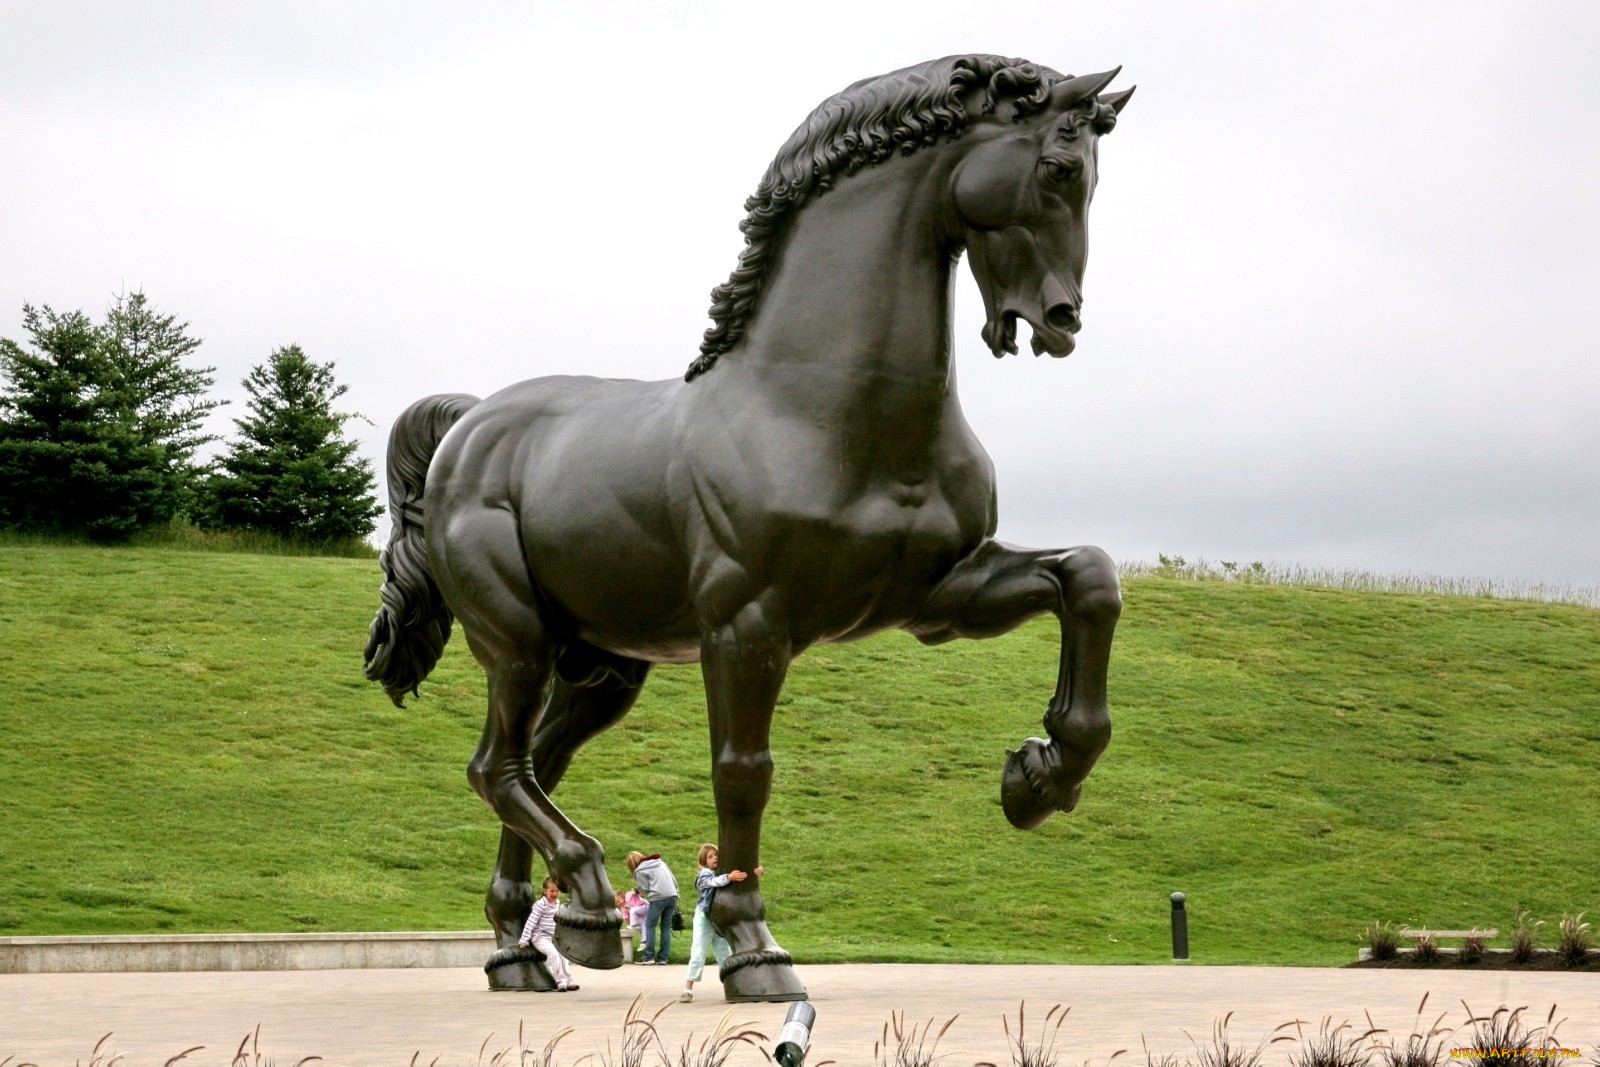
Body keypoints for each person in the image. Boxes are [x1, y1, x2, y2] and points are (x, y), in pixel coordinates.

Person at [680, 843, 760, 1002]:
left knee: (725, 955)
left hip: (720, 920)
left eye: (716, 855)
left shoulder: (724, 872)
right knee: (698, 952)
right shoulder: (705, 873)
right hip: (705, 918)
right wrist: (728, 878)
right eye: (710, 857)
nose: (714, 858)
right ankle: (687, 989)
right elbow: (711, 882)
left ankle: (732, 987)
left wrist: (757, 870)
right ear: (704, 861)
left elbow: (743, 872)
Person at [516, 876, 579, 992]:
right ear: (545, 891)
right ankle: (560, 982)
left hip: (552, 937)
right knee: (554, 955)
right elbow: (531, 922)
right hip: (540, 937)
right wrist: (524, 939)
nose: (554, 894)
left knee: (563, 955)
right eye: (552, 891)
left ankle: (569, 981)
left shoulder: (557, 903)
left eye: (557, 891)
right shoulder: (541, 905)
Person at [625, 850, 678, 965]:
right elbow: (673, 879)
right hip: (673, 895)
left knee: (650, 925)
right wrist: (675, 893)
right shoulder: (659, 862)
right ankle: (663, 958)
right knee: (665, 926)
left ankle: (649, 956)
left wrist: (637, 891)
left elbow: (647, 888)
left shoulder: (639, 871)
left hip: (658, 897)